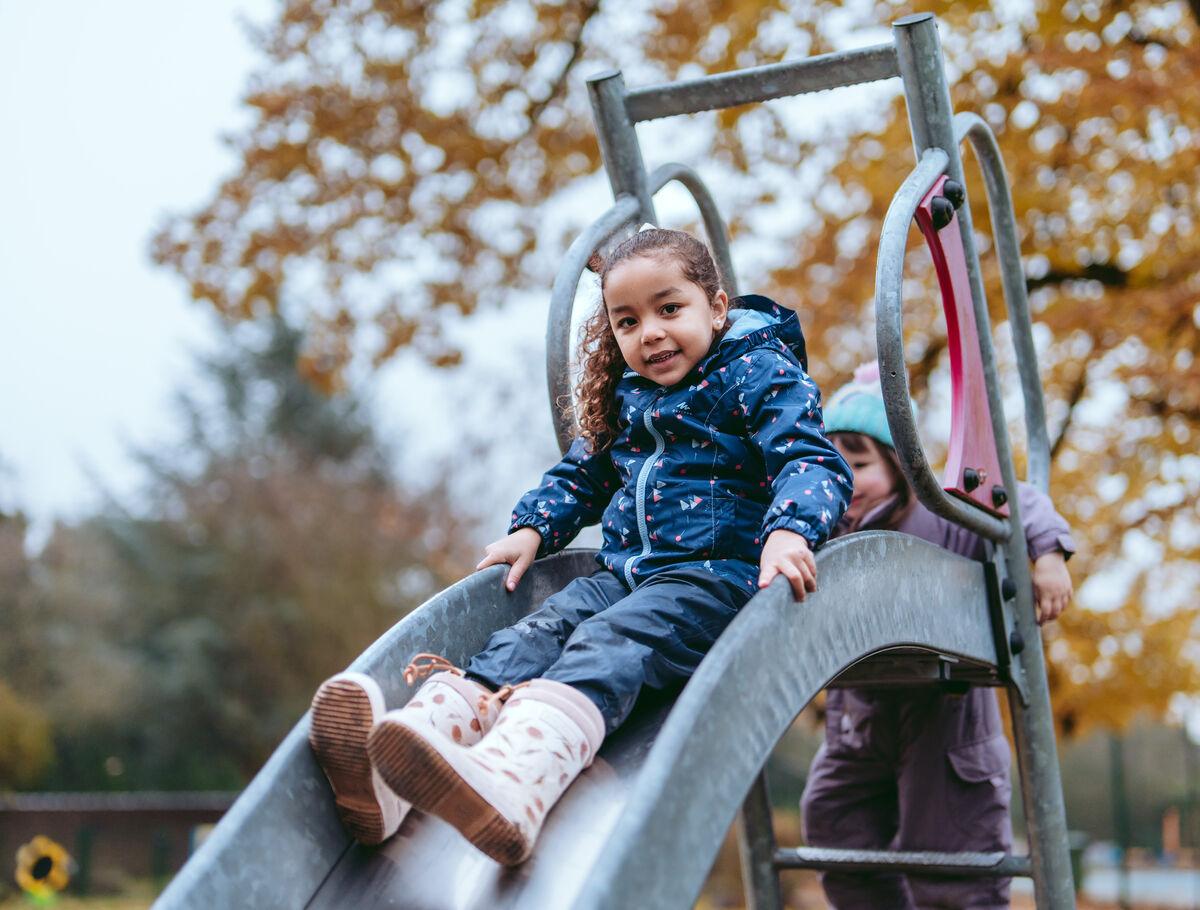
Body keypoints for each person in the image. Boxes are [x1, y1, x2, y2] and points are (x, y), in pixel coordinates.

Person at [307, 227, 852, 865]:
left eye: (668, 308)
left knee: (609, 640)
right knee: (538, 630)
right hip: (626, 574)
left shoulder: (757, 371)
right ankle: (405, 765)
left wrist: (789, 531)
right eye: (628, 321)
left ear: (717, 307)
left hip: (714, 581)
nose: (650, 333)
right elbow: (584, 476)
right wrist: (532, 527)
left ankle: (520, 782)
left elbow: (810, 459)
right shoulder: (629, 395)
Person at [800, 361, 1076, 910]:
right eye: (831, 465)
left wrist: (1047, 554)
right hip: (859, 717)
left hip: (946, 720)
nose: (844, 480)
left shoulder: (941, 511)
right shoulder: (820, 527)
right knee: (834, 827)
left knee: (952, 855)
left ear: (901, 465)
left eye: (859, 464)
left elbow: (1012, 497)